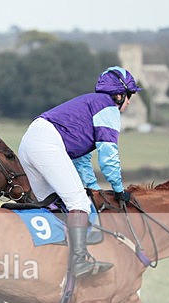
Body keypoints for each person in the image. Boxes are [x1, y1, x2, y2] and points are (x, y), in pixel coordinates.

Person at [17, 66, 141, 278]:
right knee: (79, 204)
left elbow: (82, 161)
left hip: (29, 143)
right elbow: (108, 155)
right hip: (47, 144)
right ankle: (78, 262)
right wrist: (119, 189)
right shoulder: (108, 107)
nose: (128, 102)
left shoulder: (89, 104)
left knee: (54, 204)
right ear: (119, 95)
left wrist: (94, 190)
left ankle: (49, 261)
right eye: (129, 96)